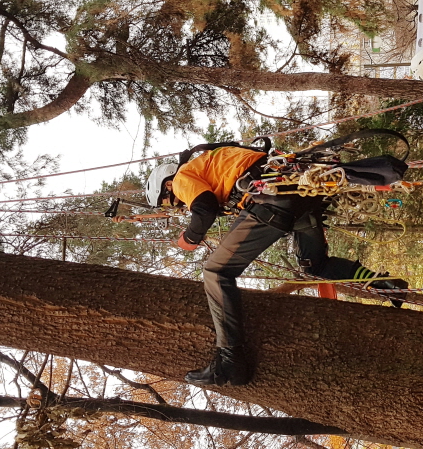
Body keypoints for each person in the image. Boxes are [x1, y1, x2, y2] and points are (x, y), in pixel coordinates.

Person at [146, 145, 407, 387]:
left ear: (167, 184)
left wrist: (189, 239)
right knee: (315, 265)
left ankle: (230, 360)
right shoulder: (212, 161)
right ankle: (384, 284)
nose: (177, 204)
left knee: (215, 271)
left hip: (271, 201)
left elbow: (204, 209)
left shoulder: (182, 177)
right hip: (299, 196)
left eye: (169, 200)